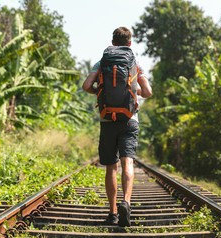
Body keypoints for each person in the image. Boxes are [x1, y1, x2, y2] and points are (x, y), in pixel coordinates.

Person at [82, 26, 152, 227]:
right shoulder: (135, 62)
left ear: (113, 43)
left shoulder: (102, 62)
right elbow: (147, 91)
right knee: (127, 162)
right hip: (130, 119)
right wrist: (133, 90)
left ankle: (112, 212)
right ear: (130, 43)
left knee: (110, 167)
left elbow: (86, 86)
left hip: (107, 120)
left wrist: (100, 92)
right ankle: (126, 203)